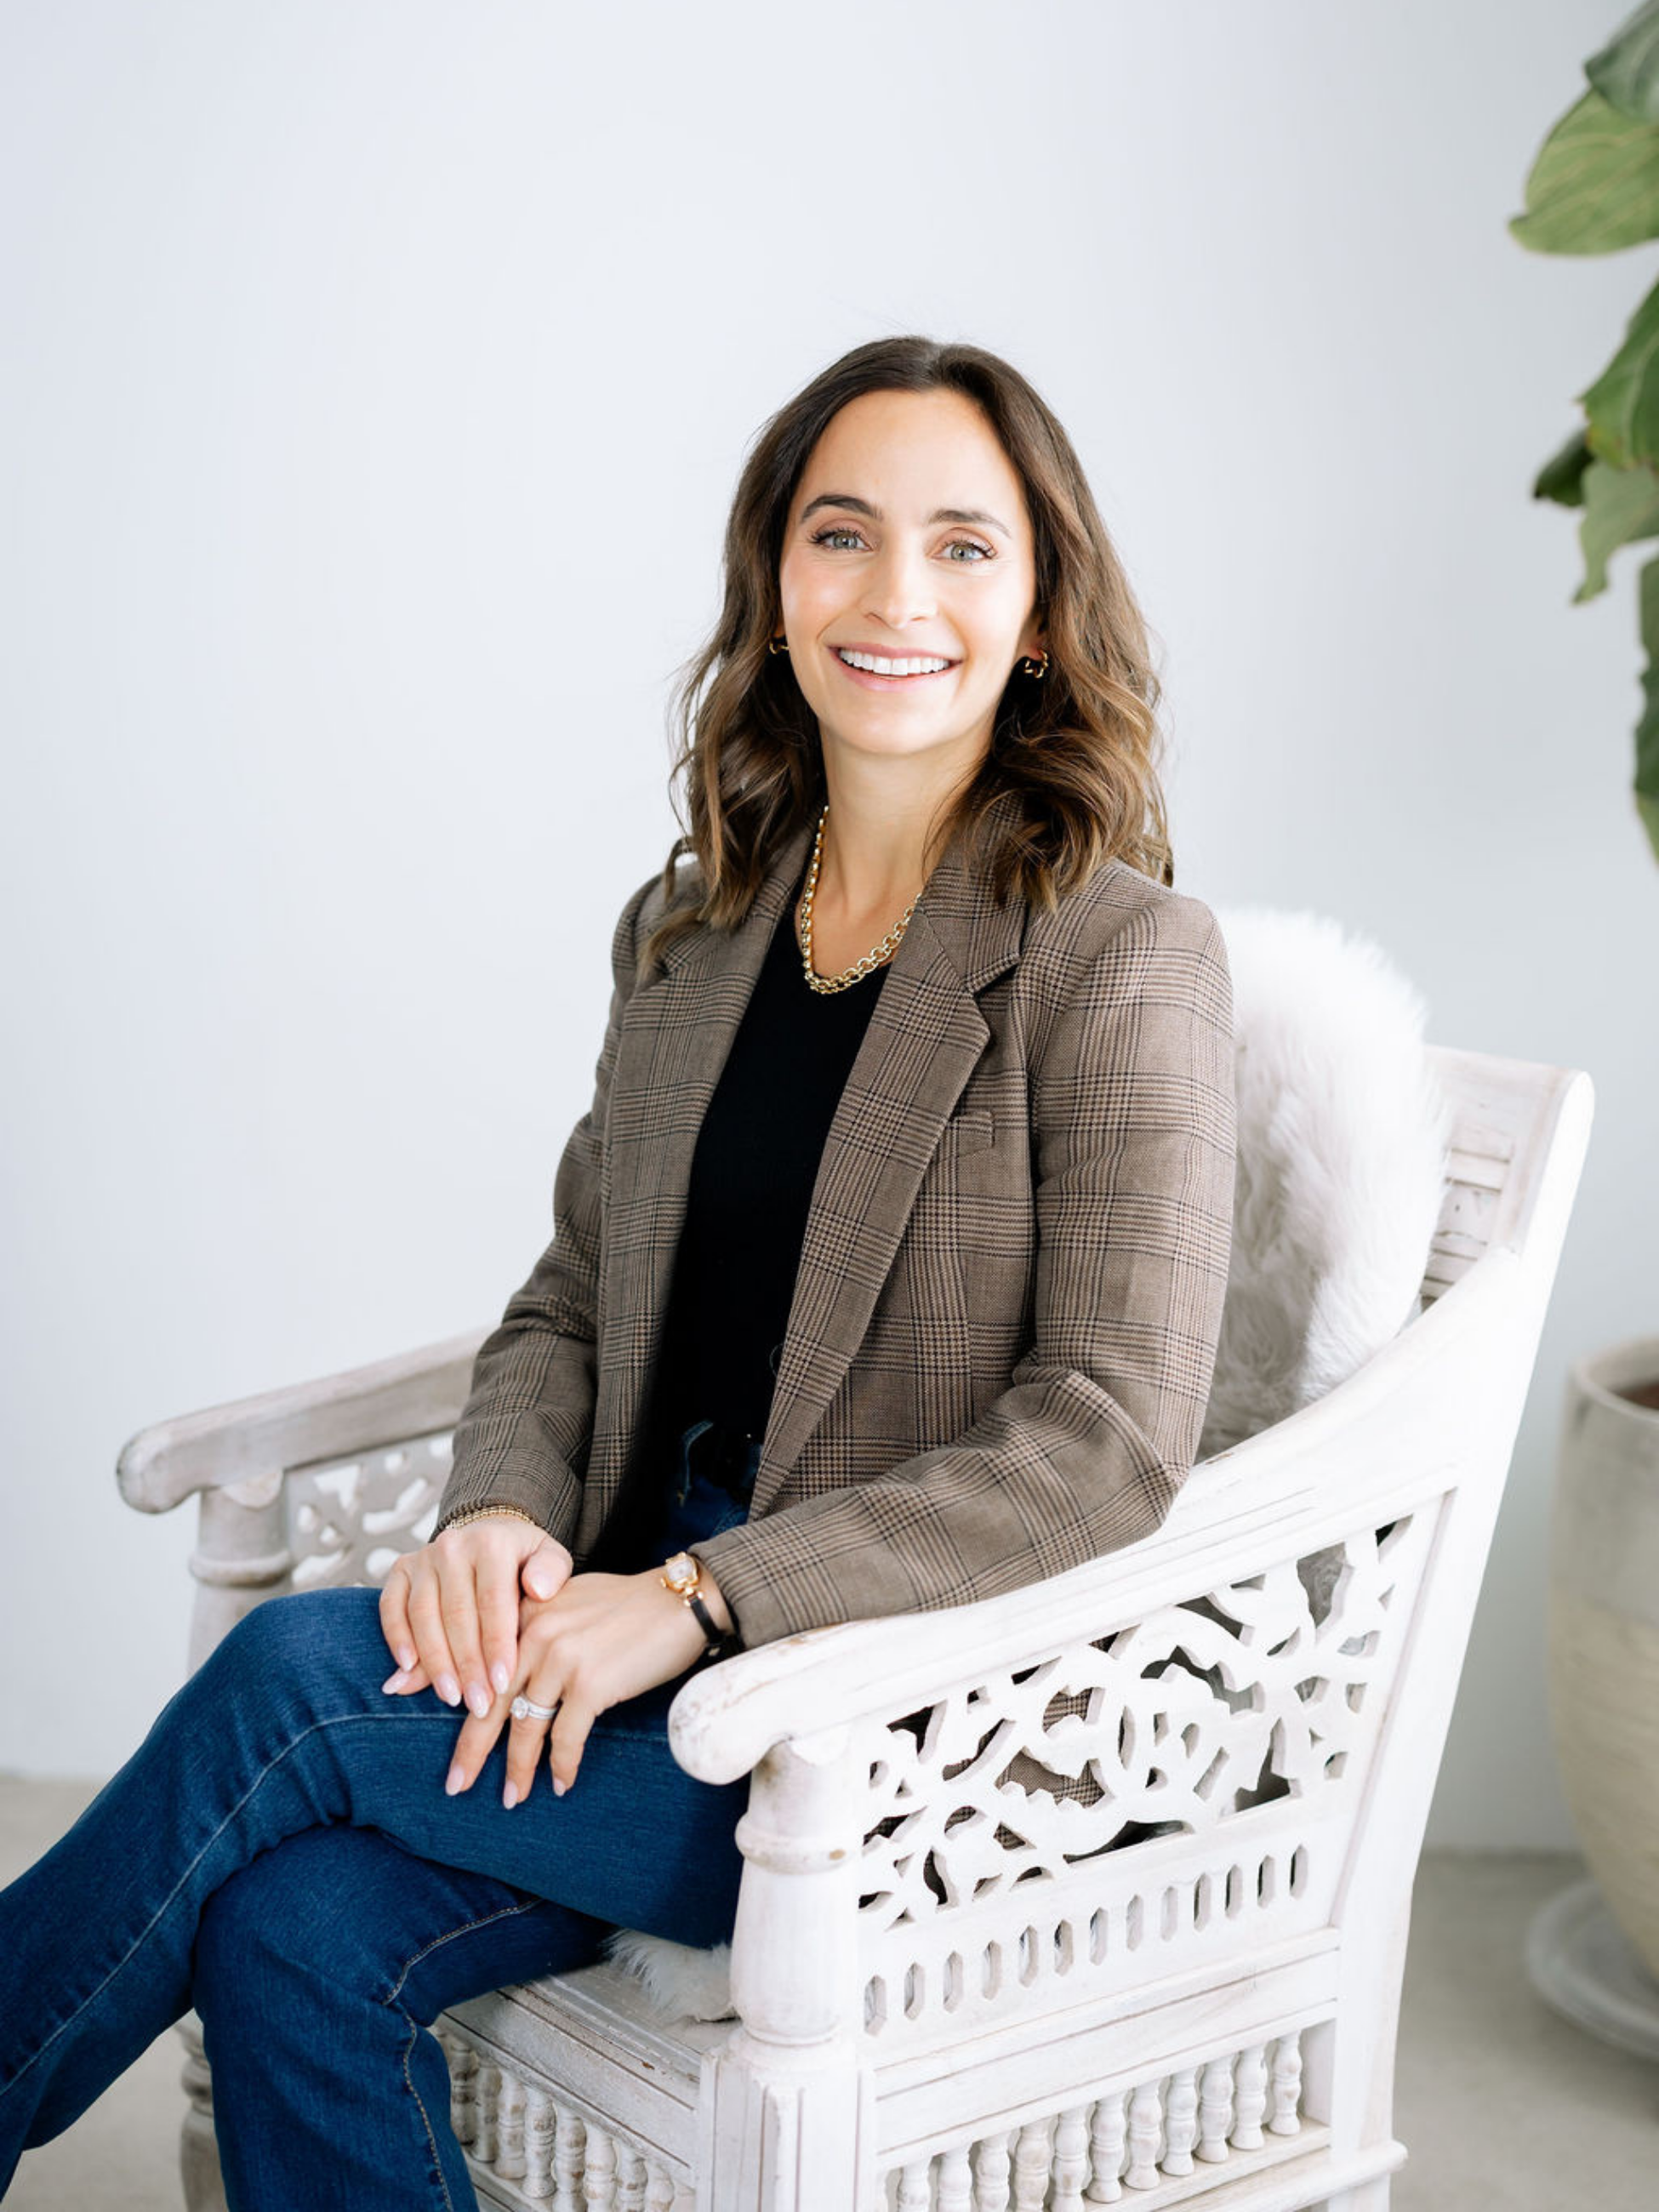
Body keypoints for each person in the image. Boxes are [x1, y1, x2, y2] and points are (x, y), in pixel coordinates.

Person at [0, 334, 1237, 2209]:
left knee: (294, 1673)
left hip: (893, 1734)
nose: (896, 595)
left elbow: (1107, 1434)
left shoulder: (1120, 955)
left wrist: (702, 1598)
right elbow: (572, 1298)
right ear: (776, 582)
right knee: (292, 1927)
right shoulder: (693, 925)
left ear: (1044, 612)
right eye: (842, 535)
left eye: (964, 547)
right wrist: (498, 1513)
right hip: (605, 1647)